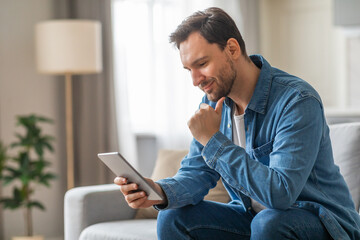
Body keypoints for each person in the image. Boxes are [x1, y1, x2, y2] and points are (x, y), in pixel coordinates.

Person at [114, 7, 360, 240]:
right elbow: (196, 173)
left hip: (322, 222)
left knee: (269, 223)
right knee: (172, 217)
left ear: (232, 48)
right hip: (255, 218)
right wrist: (158, 191)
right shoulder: (212, 104)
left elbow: (280, 194)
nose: (195, 80)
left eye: (201, 64)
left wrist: (213, 140)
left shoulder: (296, 101)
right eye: (188, 69)